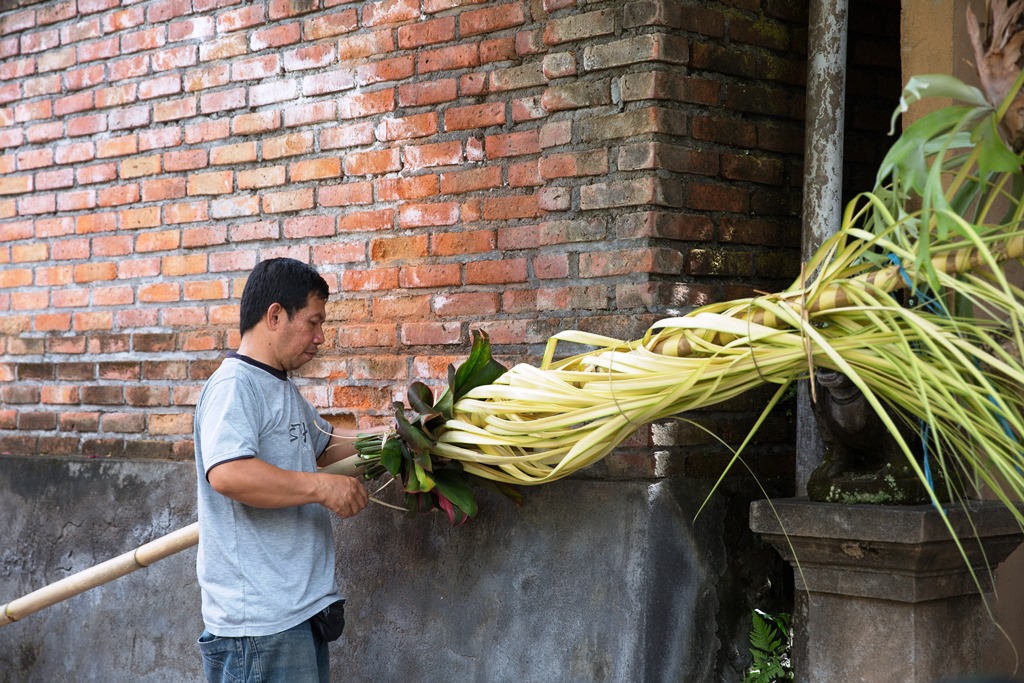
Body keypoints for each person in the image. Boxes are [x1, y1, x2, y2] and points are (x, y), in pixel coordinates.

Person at [193, 257, 386, 683]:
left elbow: (326, 446)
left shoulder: (279, 387)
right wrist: (322, 489)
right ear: (275, 315)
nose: (321, 337)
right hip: (259, 630)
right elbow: (228, 474)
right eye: (314, 322)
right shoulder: (234, 386)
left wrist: (398, 433)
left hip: (293, 618)